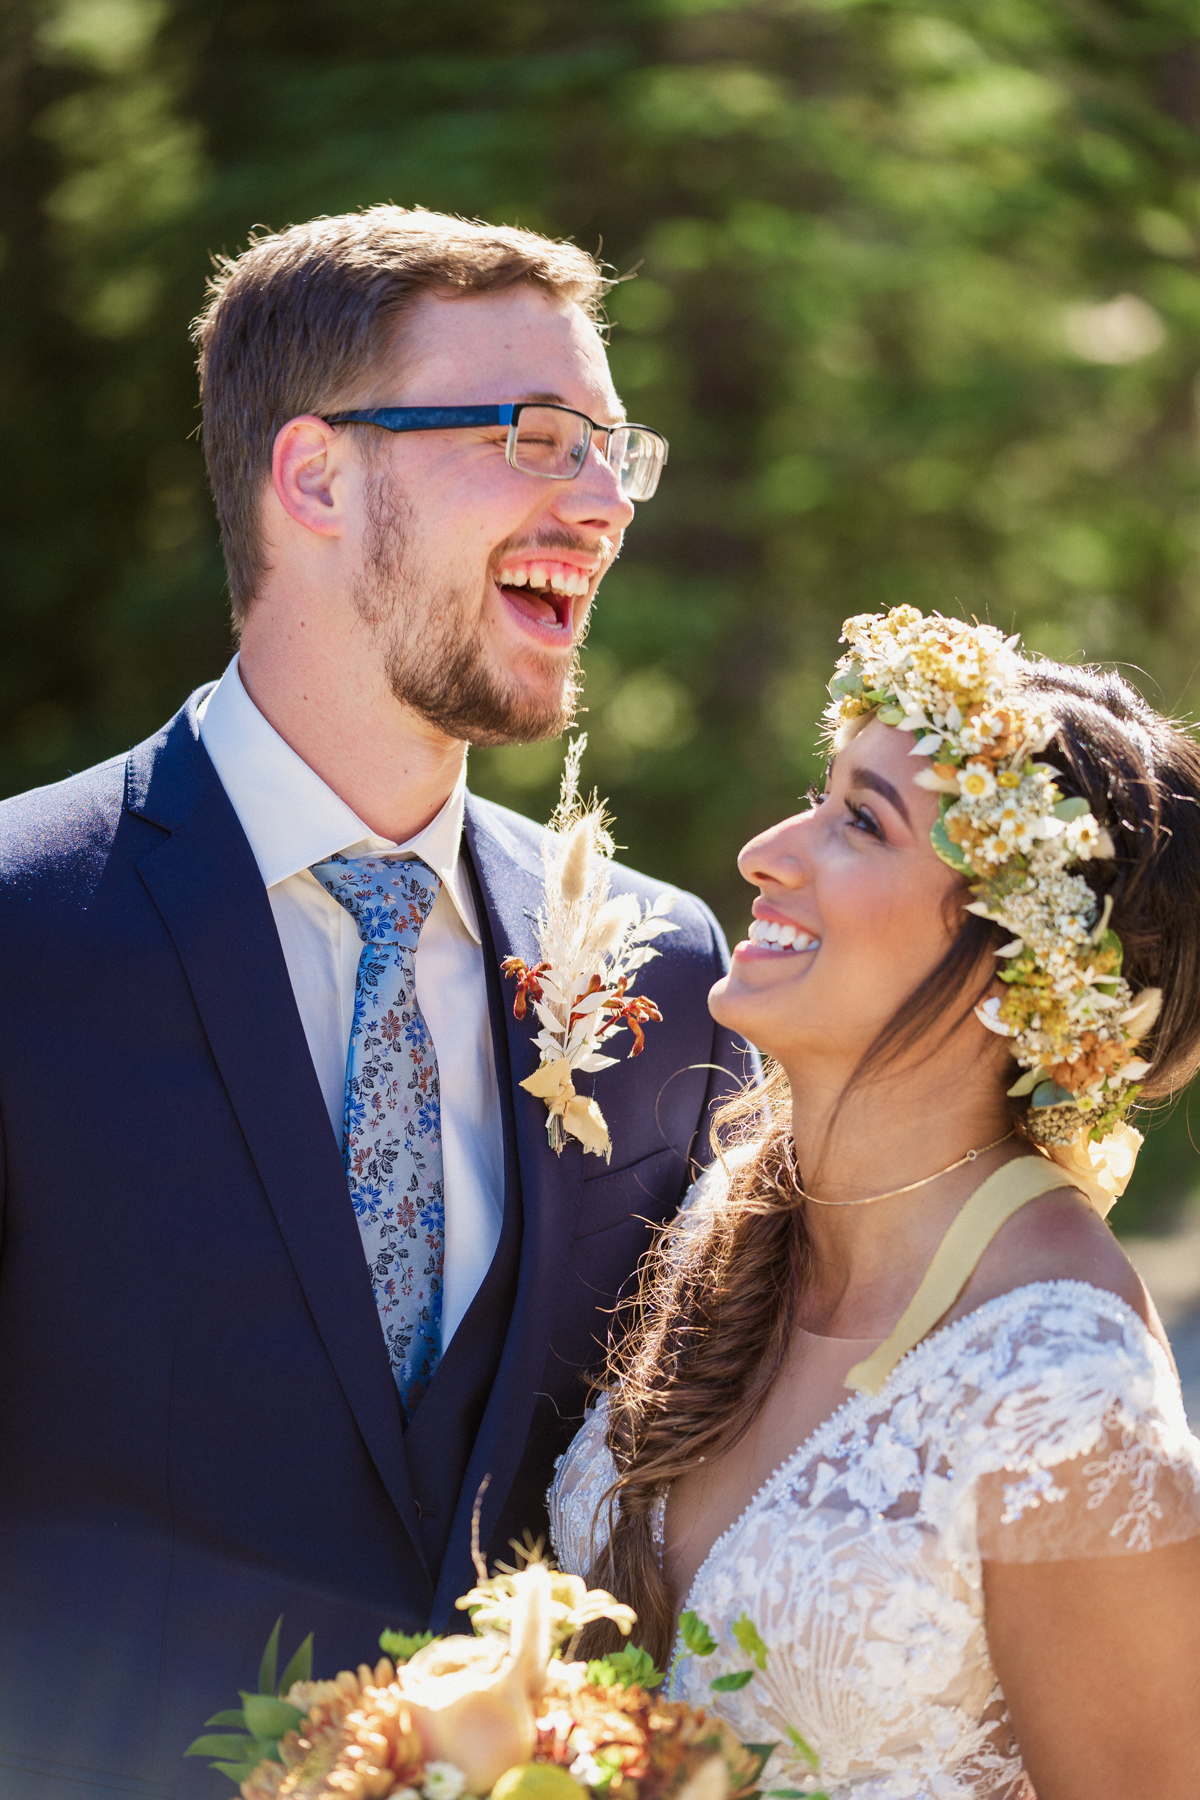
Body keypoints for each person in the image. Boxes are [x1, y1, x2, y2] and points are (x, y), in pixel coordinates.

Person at [0, 208, 750, 1799]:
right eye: (539, 439)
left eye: (617, 450)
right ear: (317, 476)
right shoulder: (20, 926)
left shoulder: (666, 972)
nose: (605, 503)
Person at [552, 606, 1200, 1800]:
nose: (766, 851)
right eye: (821, 795)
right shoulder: (716, 1225)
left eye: (860, 820)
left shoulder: (1062, 1384)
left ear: (1024, 963)